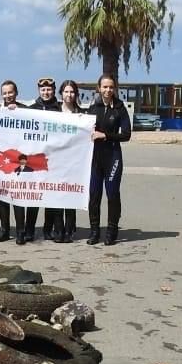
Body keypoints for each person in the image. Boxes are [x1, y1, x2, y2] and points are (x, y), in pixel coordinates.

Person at [87, 74, 131, 247]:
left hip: (113, 157)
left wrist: (105, 136)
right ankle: (94, 231)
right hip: (95, 159)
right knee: (94, 195)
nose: (108, 90)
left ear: (115, 88)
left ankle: (111, 232)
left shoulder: (120, 108)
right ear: (99, 88)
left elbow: (126, 135)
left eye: (111, 87)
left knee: (112, 195)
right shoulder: (93, 108)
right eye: (104, 87)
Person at [24, 76, 60, 243]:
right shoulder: (31, 109)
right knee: (33, 196)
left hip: (53, 159)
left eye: (49, 89)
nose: (46, 92)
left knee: (50, 195)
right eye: (43, 89)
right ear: (39, 90)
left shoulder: (59, 109)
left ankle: (48, 230)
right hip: (35, 159)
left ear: (53, 90)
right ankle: (29, 230)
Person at [0, 80, 28, 244]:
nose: (7, 95)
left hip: (19, 160)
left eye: (10, 92)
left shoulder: (25, 109)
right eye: (4, 93)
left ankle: (20, 232)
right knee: (3, 197)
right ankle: (5, 231)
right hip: (3, 161)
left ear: (16, 93)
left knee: (18, 197)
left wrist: (19, 112)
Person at [52, 79, 84, 243]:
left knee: (71, 194)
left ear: (76, 94)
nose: (69, 94)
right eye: (66, 91)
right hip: (56, 160)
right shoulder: (53, 112)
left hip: (74, 161)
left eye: (72, 92)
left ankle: (70, 230)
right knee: (57, 195)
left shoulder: (82, 114)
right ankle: (58, 230)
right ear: (61, 93)